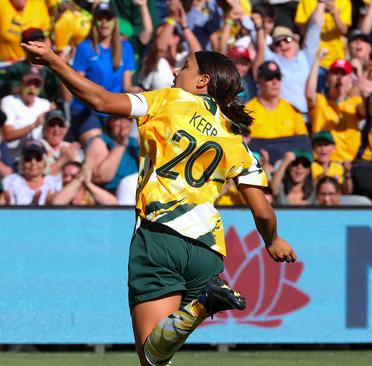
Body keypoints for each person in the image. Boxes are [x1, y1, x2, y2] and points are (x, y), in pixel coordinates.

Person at [22, 41, 296, 366]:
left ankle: (205, 302)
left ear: (202, 81)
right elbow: (263, 211)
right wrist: (272, 240)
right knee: (162, 353)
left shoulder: (167, 100)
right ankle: (206, 299)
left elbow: (99, 99)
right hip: (207, 254)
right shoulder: (235, 139)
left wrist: (53, 59)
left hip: (160, 238)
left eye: (185, 66)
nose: (177, 71)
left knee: (150, 358)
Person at [69, 3, 140, 145]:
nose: (104, 22)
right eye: (100, 18)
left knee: (132, 141)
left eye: (108, 18)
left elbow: (126, 85)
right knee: (98, 146)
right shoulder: (84, 47)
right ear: (95, 21)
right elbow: (78, 83)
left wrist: (138, 91)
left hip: (114, 108)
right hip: (87, 108)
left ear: (115, 21)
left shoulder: (125, 47)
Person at [253, 2, 324, 116]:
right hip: (283, 118)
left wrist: (321, 3)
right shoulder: (273, 60)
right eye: (277, 43)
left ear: (296, 42)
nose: (282, 44)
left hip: (306, 118)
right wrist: (259, 27)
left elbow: (314, 29)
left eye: (287, 40)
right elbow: (261, 46)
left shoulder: (305, 56)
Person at [307, 53, 364, 163]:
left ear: (350, 79)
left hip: (349, 163)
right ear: (327, 78)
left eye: (343, 74)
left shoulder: (355, 102)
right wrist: (317, 61)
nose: (339, 78)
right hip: (323, 162)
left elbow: (365, 111)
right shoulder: (320, 101)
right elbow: (309, 94)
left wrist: (360, 76)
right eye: (335, 73)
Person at [245, 61, 309, 139]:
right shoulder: (246, 111)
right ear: (258, 82)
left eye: (278, 77)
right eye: (269, 78)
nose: (275, 82)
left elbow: (303, 142)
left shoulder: (292, 111)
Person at [1, 71, 52, 162]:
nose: (32, 88)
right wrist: (34, 125)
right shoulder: (9, 101)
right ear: (21, 85)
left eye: (36, 85)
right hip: (12, 158)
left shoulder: (45, 104)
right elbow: (7, 136)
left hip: (37, 157)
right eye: (28, 84)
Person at [85, 115, 139, 193]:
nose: (123, 123)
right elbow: (102, 177)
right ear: (110, 122)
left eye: (128, 119)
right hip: (111, 194)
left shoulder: (134, 143)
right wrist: (122, 144)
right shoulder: (100, 141)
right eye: (118, 118)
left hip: (135, 192)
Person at [2, 141, 61, 206]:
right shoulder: (10, 181)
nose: (33, 163)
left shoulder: (55, 183)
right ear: (22, 162)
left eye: (38, 158)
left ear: (44, 162)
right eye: (28, 158)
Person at [47, 160, 117, 206]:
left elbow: (114, 204)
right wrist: (78, 179)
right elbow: (56, 204)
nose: (68, 179)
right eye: (65, 176)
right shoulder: (55, 195)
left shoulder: (92, 196)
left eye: (73, 176)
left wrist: (88, 184)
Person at [38, 110, 84, 176]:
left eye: (61, 125)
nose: (56, 129)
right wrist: (63, 160)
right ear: (45, 128)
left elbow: (80, 176)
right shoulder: (37, 146)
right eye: (52, 124)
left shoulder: (70, 148)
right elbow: (37, 177)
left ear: (66, 129)